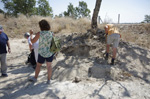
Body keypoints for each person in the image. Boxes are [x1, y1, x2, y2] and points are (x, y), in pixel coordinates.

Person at [29, 19, 54, 84]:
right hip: (49, 52)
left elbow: (32, 41)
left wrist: (31, 34)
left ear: (41, 26)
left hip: (42, 52)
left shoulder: (39, 33)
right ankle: (49, 80)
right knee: (49, 66)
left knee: (38, 65)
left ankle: (35, 78)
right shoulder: (52, 33)